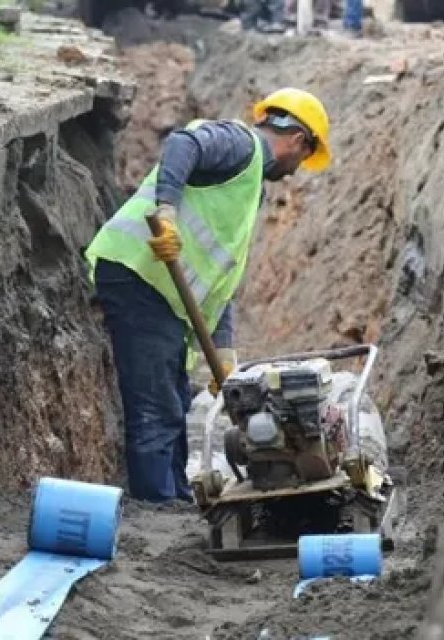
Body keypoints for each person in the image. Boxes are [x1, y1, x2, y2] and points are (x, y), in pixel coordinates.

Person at [85, 88, 332, 503]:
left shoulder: (249, 186)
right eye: (304, 159)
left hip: (162, 295)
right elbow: (183, 143)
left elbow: (221, 280)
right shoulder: (241, 145)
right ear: (297, 140)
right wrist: (166, 213)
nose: (295, 172)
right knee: (156, 407)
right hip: (139, 276)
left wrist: (224, 353)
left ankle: (176, 500)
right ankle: (156, 505)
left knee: (176, 403)